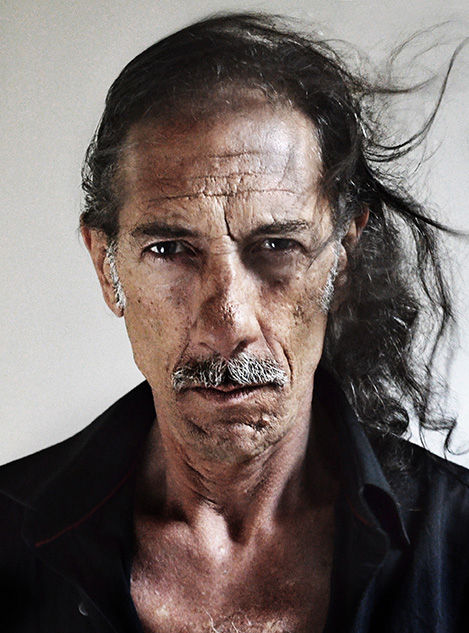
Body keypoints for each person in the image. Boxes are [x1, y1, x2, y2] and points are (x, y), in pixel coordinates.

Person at [1, 12, 468, 633]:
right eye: (170, 250)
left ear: (343, 260)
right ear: (106, 268)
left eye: (277, 246)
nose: (229, 323)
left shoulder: (458, 549)